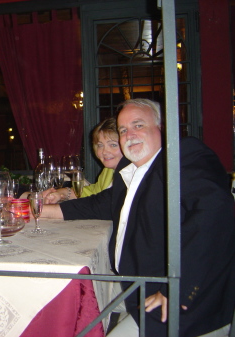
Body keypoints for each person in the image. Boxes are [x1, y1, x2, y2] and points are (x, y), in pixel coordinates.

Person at [41, 98, 235, 337]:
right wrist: (38, 211)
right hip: (135, 285)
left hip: (177, 303)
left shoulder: (183, 154)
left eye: (138, 125)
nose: (129, 135)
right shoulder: (131, 173)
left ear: (162, 128)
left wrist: (178, 287)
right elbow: (98, 205)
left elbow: (214, 212)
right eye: (123, 130)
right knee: (69, 300)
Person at [42, 117, 123, 203]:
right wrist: (60, 193)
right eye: (100, 145)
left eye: (113, 145)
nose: (104, 152)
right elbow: (93, 192)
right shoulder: (108, 171)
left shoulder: (131, 176)